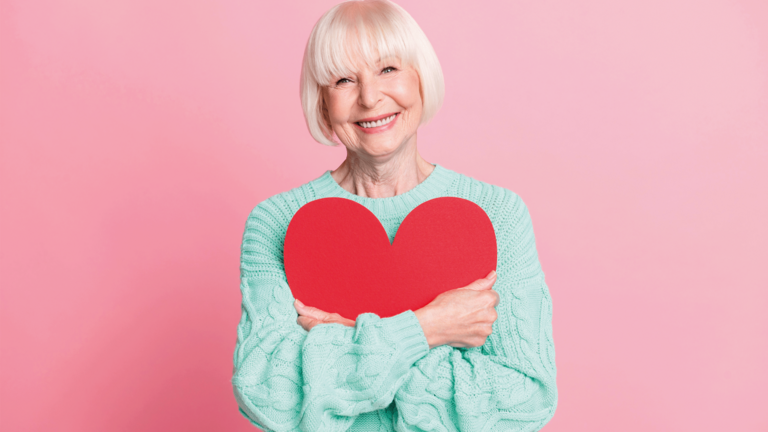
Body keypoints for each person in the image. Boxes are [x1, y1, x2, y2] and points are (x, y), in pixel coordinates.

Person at [231, 0, 557, 430]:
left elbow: (527, 397)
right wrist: (427, 328)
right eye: (344, 79)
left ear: (421, 79)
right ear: (323, 102)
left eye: (388, 70)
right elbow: (267, 393)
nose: (369, 97)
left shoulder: (498, 214)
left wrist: (347, 340)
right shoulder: (276, 223)